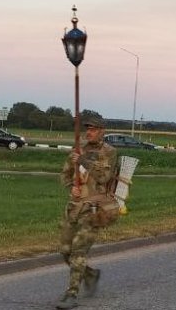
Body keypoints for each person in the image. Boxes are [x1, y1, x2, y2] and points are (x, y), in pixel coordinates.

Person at [56, 117, 118, 309]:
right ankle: (90, 274)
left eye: (93, 129)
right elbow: (65, 174)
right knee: (65, 251)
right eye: (87, 129)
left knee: (78, 250)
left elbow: (104, 176)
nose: (89, 132)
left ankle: (71, 294)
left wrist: (82, 160)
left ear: (102, 131)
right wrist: (70, 187)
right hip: (74, 206)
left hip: (94, 208)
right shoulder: (78, 149)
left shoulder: (109, 152)